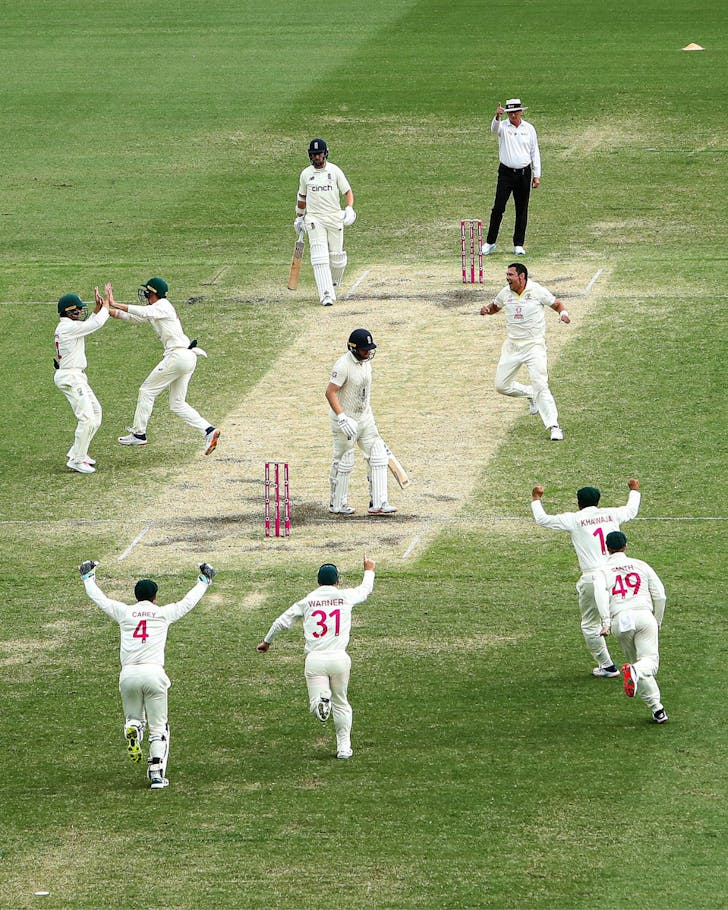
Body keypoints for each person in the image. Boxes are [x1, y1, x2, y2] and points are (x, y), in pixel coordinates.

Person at [79, 558, 217, 788]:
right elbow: (187, 602)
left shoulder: (124, 613)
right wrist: (204, 580)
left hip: (128, 675)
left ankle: (133, 727)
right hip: (154, 674)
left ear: (136, 596)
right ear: (155, 597)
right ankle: (156, 774)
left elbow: (100, 599)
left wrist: (87, 578)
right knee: (159, 728)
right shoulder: (163, 614)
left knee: (134, 718)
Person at [257, 556, 376, 759]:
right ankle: (344, 748)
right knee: (341, 703)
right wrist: (369, 569)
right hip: (339, 658)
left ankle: (322, 700)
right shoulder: (345, 596)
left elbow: (281, 622)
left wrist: (267, 642)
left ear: (318, 581)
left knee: (317, 707)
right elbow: (365, 590)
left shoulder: (308, 601)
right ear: (338, 581)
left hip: (315, 660)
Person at [531, 479, 641, 677]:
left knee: (590, 624)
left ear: (578, 503)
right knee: (625, 613)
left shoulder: (574, 519)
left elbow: (542, 519)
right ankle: (640, 659)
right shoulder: (611, 514)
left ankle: (607, 666)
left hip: (592, 577)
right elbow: (631, 510)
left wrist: (536, 498)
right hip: (617, 573)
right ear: (598, 501)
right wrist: (634, 490)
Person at [107, 277, 220, 454]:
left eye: (147, 292)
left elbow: (143, 312)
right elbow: (135, 318)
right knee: (177, 403)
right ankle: (209, 430)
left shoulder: (162, 305)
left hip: (178, 356)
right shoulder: (157, 310)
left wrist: (115, 303)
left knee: (146, 391)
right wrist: (107, 310)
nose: (145, 295)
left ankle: (138, 434)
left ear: (152, 293)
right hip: (187, 356)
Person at [480, 263, 569, 441]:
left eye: (510, 275)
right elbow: (496, 306)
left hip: (534, 346)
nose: (507, 278)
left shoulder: (537, 290)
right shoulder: (505, 292)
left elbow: (557, 304)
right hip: (512, 346)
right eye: (507, 274)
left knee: (541, 385)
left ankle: (554, 426)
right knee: (501, 386)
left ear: (521, 277)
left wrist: (563, 314)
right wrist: (487, 310)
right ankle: (530, 394)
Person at [594, 531, 668, 724]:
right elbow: (660, 595)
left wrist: (605, 622)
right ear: (625, 546)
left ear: (607, 548)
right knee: (648, 663)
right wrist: (657, 620)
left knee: (637, 666)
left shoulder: (602, 571)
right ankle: (636, 673)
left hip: (621, 620)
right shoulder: (641, 565)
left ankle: (657, 709)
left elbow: (600, 596)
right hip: (643, 615)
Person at [326, 328, 397, 515]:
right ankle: (337, 504)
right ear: (353, 348)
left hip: (365, 418)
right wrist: (342, 418)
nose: (368, 353)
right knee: (345, 460)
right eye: (365, 350)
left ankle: (379, 502)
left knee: (378, 454)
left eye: (370, 349)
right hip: (345, 422)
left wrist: (366, 413)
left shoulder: (366, 363)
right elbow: (330, 392)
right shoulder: (343, 365)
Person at [53, 285, 111, 474]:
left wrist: (97, 309)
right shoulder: (67, 327)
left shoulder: (71, 326)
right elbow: (95, 324)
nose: (80, 312)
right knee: (87, 418)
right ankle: (76, 460)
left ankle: (78, 452)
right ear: (68, 311)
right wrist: (106, 306)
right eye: (77, 310)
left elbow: (88, 324)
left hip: (76, 375)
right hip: (70, 377)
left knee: (96, 412)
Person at [294, 138, 356, 307]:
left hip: (334, 217)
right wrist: (299, 217)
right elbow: (302, 197)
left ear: (325, 154)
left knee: (337, 257)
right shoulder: (306, 174)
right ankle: (326, 294)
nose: (317, 157)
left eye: (319, 154)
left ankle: (333, 283)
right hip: (315, 219)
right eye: (314, 155)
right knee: (319, 258)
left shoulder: (334, 171)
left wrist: (349, 208)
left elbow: (347, 191)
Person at [482, 98, 541, 256]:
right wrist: (497, 116)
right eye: (510, 113)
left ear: (520, 112)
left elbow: (534, 152)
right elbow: (494, 129)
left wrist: (537, 175)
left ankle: (518, 244)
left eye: (515, 112)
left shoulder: (529, 128)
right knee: (498, 207)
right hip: (506, 173)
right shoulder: (503, 126)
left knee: (522, 209)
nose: (513, 115)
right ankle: (490, 242)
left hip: (524, 173)